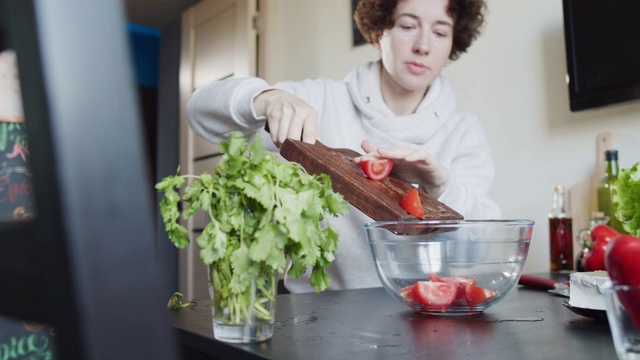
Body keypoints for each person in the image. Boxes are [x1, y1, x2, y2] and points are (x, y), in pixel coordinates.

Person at [187, 0, 501, 293]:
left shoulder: (463, 130)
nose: (423, 46)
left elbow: (481, 248)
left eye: (440, 32)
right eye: (408, 26)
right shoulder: (321, 100)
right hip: (318, 320)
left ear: (453, 43)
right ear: (379, 32)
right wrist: (268, 99)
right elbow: (199, 110)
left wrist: (441, 183)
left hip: (425, 321)